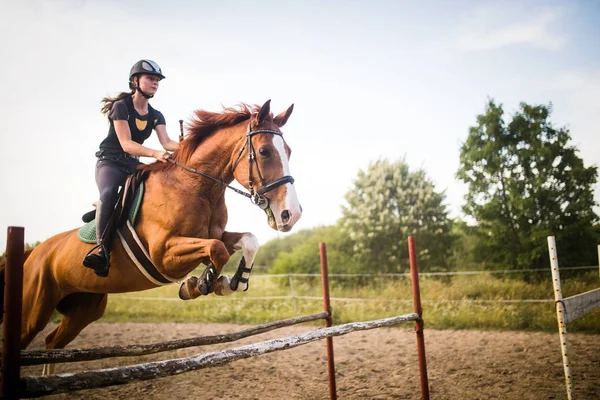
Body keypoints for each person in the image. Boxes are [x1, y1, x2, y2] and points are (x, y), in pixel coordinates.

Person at [83, 59, 180, 277]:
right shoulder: (121, 107)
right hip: (110, 162)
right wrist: (155, 154)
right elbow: (127, 144)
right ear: (135, 81)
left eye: (157, 80)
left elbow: (167, 143)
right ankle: (102, 252)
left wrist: (190, 146)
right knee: (108, 193)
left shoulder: (156, 115)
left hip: (132, 164)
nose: (155, 83)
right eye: (151, 79)